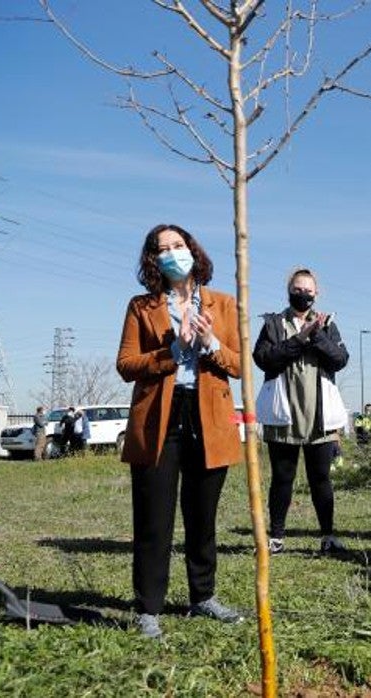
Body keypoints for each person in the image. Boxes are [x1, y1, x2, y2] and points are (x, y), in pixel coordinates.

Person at [116, 223, 244, 640]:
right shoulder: (142, 306)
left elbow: (242, 366)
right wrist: (171, 350)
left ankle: (202, 597)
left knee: (202, 515)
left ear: (192, 249)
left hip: (208, 417)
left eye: (178, 244)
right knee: (154, 518)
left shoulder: (223, 304)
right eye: (162, 248)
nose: (172, 252)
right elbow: (126, 365)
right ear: (154, 259)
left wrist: (209, 343)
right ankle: (148, 607)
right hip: (160, 418)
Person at [253, 267, 350, 555]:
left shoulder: (327, 324)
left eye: (308, 290)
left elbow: (340, 360)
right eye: (298, 288)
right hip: (284, 417)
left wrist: (316, 336)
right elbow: (264, 359)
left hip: (319, 419)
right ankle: (277, 537)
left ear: (316, 293)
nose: (303, 294)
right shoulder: (273, 324)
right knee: (282, 478)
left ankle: (328, 536)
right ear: (288, 289)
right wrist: (299, 339)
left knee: (321, 478)